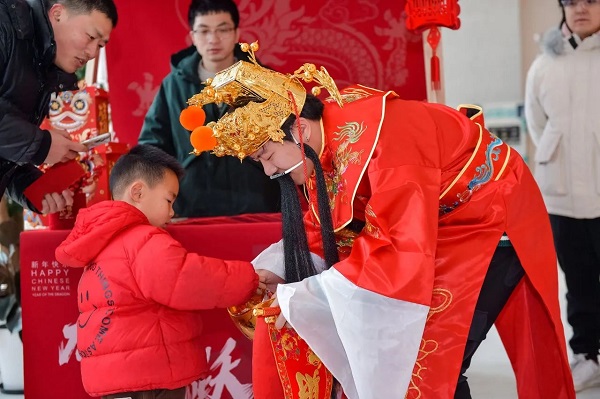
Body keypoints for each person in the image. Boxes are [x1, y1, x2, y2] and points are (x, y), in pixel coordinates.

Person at [184, 44, 576, 399]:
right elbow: (325, 225)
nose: (270, 170)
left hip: (485, 216)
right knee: (414, 360)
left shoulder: (385, 139)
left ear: (298, 129)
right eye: (260, 163)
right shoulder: (319, 144)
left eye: (268, 155)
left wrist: (307, 297)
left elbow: (397, 248)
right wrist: (280, 271)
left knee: (431, 362)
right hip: (432, 226)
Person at [54, 144, 264, 399]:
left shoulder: (99, 243)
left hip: (113, 379)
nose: (172, 212)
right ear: (138, 192)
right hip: (149, 378)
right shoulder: (143, 239)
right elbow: (188, 279)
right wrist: (248, 278)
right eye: (169, 199)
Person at [138, 0, 280, 218]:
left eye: (222, 30)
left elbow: (289, 140)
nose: (213, 39)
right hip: (193, 206)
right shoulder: (174, 85)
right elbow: (153, 145)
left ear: (236, 33)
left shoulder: (263, 80)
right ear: (193, 36)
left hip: (258, 204)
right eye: (204, 31)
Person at [524, 0, 600, 393]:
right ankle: (586, 355)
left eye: (590, 0)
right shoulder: (544, 66)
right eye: (571, 1)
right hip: (563, 196)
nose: (580, 9)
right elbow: (536, 126)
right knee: (579, 279)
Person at [0, 0, 117, 214]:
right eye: (90, 37)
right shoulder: (4, 22)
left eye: (100, 45)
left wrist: (30, 186)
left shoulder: (47, 70)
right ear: (58, 14)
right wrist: (41, 145)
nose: (92, 53)